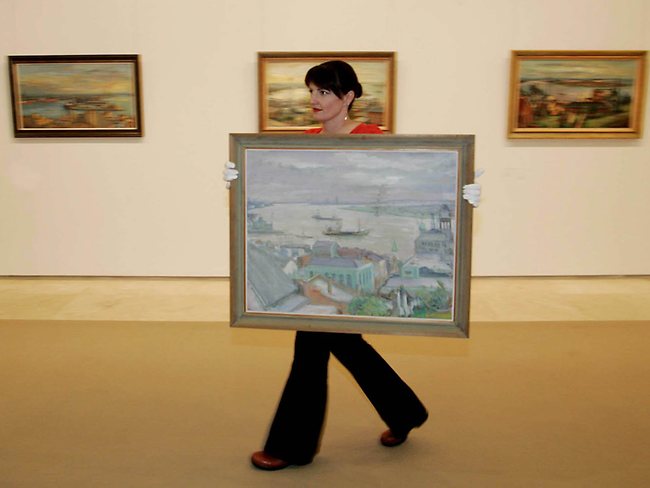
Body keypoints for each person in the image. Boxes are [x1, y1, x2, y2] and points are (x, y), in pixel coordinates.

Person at [224, 60, 481, 470]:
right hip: (320, 263)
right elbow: (275, 177)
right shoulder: (305, 142)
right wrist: (241, 177)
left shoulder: (373, 139)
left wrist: (461, 190)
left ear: (348, 98)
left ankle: (292, 447)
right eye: (311, 91)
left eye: (324, 92)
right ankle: (405, 413)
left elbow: (414, 173)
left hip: (346, 267)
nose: (314, 100)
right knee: (346, 347)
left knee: (311, 351)